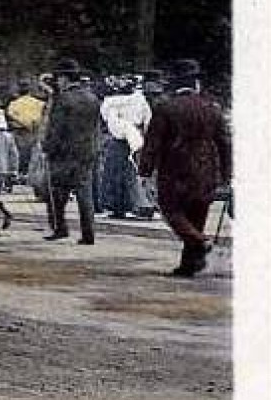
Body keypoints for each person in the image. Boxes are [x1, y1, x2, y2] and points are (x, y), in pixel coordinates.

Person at [137, 60, 232, 277]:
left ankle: (200, 242)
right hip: (207, 171)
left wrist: (144, 171)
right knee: (197, 215)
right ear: (196, 83)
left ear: (175, 84)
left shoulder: (166, 108)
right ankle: (189, 264)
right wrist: (227, 174)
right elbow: (225, 143)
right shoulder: (213, 107)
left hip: (175, 169)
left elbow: (153, 143)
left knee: (172, 210)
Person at [41, 59, 101, 244]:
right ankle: (88, 233)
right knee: (84, 193)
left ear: (64, 79)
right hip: (86, 150)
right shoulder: (92, 98)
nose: (57, 82)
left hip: (63, 152)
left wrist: (48, 147)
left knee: (55, 192)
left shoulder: (63, 99)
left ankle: (60, 227)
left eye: (58, 78)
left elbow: (56, 128)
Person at [99, 75, 152, 219]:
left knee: (119, 172)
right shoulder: (138, 100)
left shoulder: (111, 103)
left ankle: (124, 205)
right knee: (129, 172)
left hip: (122, 139)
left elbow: (109, 121)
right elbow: (147, 120)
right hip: (133, 138)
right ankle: (135, 204)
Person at [5, 79, 46, 175]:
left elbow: (10, 116)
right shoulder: (39, 103)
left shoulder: (13, 104)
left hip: (18, 132)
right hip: (32, 131)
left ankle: (18, 173)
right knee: (30, 154)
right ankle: (27, 174)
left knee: (17, 154)